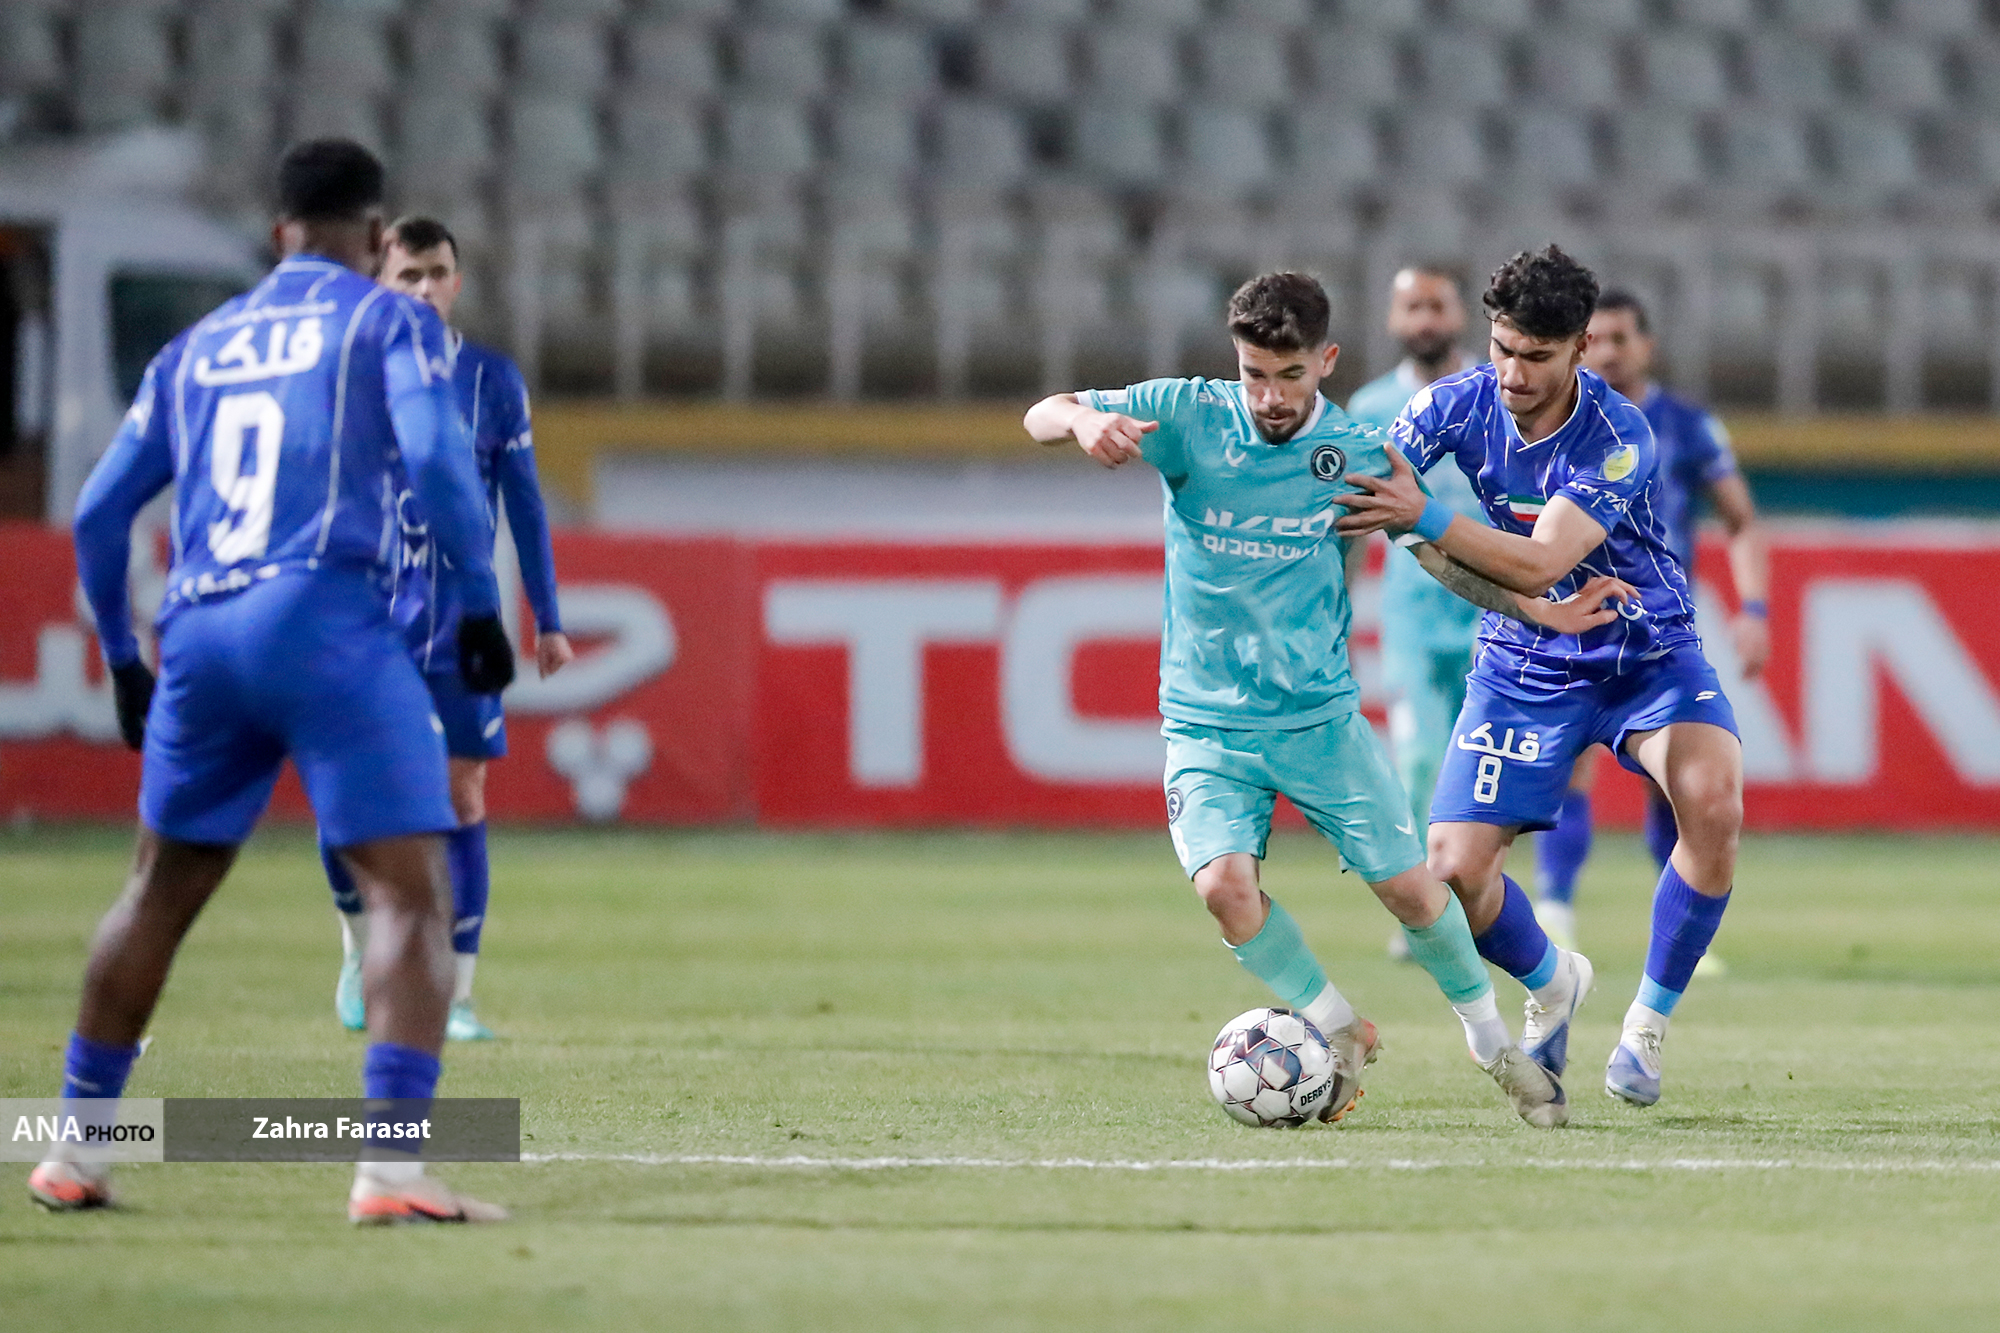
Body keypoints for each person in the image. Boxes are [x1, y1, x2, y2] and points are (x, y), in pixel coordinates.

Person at [1024, 272, 1636, 1128]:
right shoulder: (1188, 415)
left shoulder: (1352, 452)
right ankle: (1339, 1025)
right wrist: (1083, 420)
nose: (1271, 396)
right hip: (1205, 720)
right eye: (1255, 374)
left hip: (1318, 720)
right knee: (1223, 887)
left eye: (1290, 375)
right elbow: (1041, 412)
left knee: (1414, 893)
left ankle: (1490, 1040)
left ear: (1327, 361)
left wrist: (1535, 608)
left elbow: (1430, 551)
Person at [31, 140, 514, 1221]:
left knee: (156, 891)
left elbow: (101, 513)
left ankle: (76, 1150)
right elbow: (440, 461)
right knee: (409, 892)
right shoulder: (386, 321)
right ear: (376, 236)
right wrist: (479, 603)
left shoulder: (195, 348)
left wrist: (124, 658)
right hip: (327, 614)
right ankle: (390, 1173)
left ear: (277, 233)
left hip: (201, 628)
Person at [1336, 245, 1744, 1109]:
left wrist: (1424, 515)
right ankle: (1554, 980)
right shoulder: (1451, 404)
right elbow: (1379, 496)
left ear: (1580, 348)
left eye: (1536, 356)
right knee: (1454, 870)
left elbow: (1538, 560)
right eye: (1502, 348)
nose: (1513, 373)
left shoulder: (1620, 435)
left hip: (1643, 651)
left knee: (1712, 801)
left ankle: (1645, 1026)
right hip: (1525, 660)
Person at [323, 215, 571, 1042]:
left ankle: (456, 996)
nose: (425, 288)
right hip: (366, 620)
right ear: (380, 285)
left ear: (456, 283)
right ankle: (357, 949)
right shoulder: (348, 373)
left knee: (464, 792)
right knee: (344, 793)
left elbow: (525, 503)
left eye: (437, 273)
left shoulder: (492, 380)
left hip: (462, 625)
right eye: (409, 275)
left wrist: (548, 617)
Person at [1529, 291, 1771, 961]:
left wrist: (1755, 610)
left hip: (1658, 628)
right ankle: (1555, 912)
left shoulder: (1686, 425)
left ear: (1647, 346)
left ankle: (1684, 926)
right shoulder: (1554, 422)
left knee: (1678, 783)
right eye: (1596, 339)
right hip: (1574, 615)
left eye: (1620, 338)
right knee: (1568, 764)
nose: (1607, 351)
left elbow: (1741, 520)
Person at [1346, 266, 1489, 963]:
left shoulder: (1496, 391)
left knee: (1483, 772)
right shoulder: (1370, 406)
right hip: (1413, 618)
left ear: (1459, 314)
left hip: (1495, 615)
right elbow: (1348, 521)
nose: (1426, 318)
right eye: (1413, 306)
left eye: (1437, 304)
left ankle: (1478, 899)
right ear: (1394, 319)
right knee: (1421, 758)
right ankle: (1423, 914)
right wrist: (1338, 612)